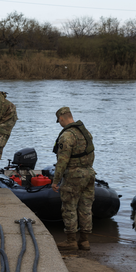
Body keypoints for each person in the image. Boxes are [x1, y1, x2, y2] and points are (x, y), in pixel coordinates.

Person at [51, 107, 96, 251]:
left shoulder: (67, 136)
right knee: (86, 208)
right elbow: (91, 155)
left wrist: (55, 180)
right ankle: (84, 241)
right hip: (89, 174)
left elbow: (62, 161)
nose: (59, 123)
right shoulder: (85, 132)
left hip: (74, 176)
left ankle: (71, 241)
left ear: (62, 118)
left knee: (69, 207)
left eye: (59, 121)